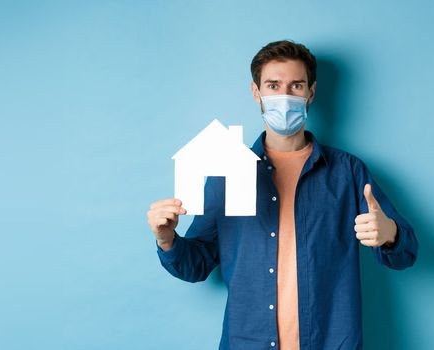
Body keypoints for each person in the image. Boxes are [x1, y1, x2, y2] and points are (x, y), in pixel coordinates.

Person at [146, 40, 418, 350]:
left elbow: (406, 254)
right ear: (256, 92)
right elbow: (195, 265)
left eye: (296, 85)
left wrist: (390, 234)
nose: (284, 96)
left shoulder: (347, 172)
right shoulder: (227, 171)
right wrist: (167, 239)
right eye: (273, 85)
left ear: (310, 93)